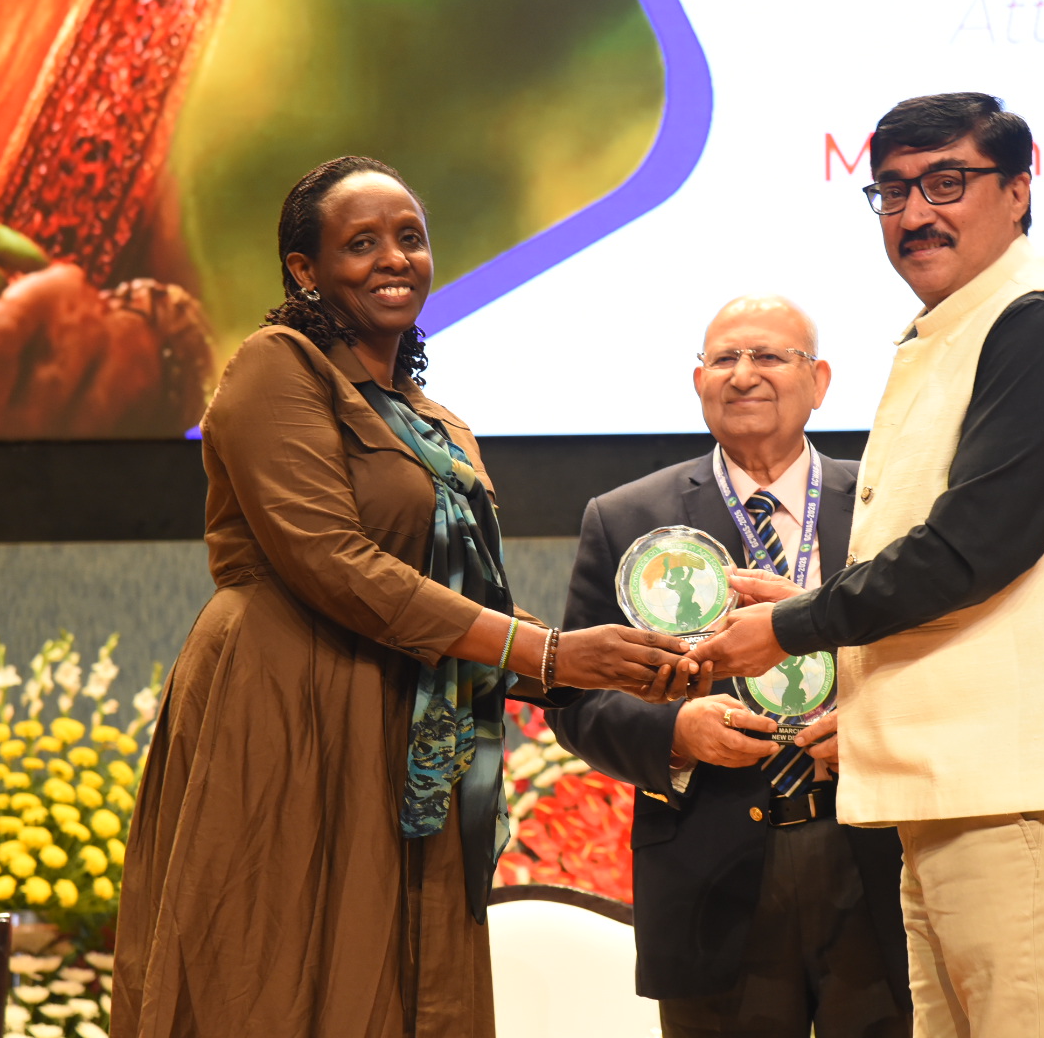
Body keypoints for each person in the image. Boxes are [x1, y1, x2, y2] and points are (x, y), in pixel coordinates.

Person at [112, 156, 697, 1038]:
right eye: (361, 243)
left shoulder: (435, 421)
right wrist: (547, 653)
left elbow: (461, 592)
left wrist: (603, 666)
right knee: (274, 971)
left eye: (410, 238)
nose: (394, 258)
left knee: (399, 986)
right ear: (304, 270)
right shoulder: (277, 367)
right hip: (290, 706)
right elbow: (333, 562)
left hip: (407, 719)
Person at [693, 95, 1044, 1037]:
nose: (915, 213)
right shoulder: (959, 329)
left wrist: (789, 627)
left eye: (947, 183)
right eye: (892, 190)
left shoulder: (1039, 325)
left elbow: (973, 548)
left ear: (1020, 190)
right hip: (967, 785)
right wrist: (817, 607)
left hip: (1026, 789)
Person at [549, 295, 911, 1038]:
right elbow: (578, 699)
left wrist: (880, 724)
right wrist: (676, 732)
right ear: (699, 381)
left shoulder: (891, 505)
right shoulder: (627, 518)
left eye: (770, 356)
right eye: (724, 359)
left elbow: (941, 655)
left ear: (820, 381)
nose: (744, 375)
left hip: (874, 855)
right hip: (708, 870)